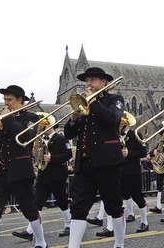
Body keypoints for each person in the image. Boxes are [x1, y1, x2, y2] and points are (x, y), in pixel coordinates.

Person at [64, 67, 126, 248]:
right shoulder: (81, 105)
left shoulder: (114, 99)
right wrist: (74, 117)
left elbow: (112, 119)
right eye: (87, 80)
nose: (88, 84)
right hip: (84, 163)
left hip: (108, 162)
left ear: (104, 83)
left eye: (92, 80)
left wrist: (94, 101)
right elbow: (68, 133)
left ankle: (119, 243)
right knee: (78, 208)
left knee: (114, 206)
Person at [0, 85, 46, 248]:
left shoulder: (31, 117)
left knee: (29, 209)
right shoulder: (1, 119)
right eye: (4, 99)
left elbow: (25, 137)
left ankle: (41, 241)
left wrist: (7, 118)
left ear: (20, 100)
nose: (6, 103)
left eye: (9, 100)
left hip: (20, 172)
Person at [12, 122, 73, 241]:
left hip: (57, 175)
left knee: (62, 201)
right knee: (37, 203)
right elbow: (39, 157)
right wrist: (35, 154)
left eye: (44, 126)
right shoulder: (41, 139)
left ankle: (69, 224)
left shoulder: (60, 138)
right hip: (44, 175)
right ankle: (30, 231)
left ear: (51, 126)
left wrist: (52, 158)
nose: (42, 128)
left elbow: (68, 154)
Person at [95, 118, 149, 237]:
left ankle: (144, 222)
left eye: (122, 124)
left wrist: (129, 153)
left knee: (137, 197)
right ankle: (110, 227)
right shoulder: (115, 135)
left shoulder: (135, 134)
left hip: (132, 171)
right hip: (117, 171)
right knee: (113, 198)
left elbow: (143, 152)